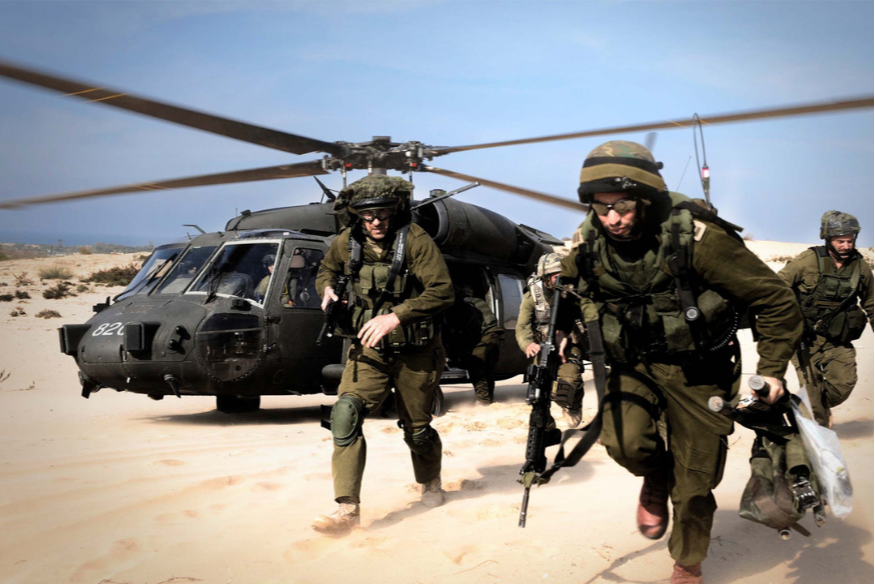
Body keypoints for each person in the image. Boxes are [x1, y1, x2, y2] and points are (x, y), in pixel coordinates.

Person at [559, 141, 802, 584]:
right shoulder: (588, 241)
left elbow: (776, 300)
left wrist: (771, 370)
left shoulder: (696, 239)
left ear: (645, 198)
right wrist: (561, 330)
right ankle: (655, 474)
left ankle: (687, 563)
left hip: (699, 369)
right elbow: (569, 291)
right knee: (625, 443)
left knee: (694, 483)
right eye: (601, 206)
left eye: (622, 206)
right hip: (633, 364)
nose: (612, 218)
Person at [312, 175, 454, 535]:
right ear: (356, 215)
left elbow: (442, 291)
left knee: (417, 431)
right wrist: (326, 288)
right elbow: (326, 269)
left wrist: (396, 316)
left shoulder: (416, 241)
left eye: (383, 214)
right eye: (367, 215)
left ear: (396, 211)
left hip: (416, 351)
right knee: (344, 414)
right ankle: (347, 509)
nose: (376, 222)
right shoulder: (347, 241)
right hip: (368, 349)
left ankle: (430, 481)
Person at [779, 211, 874, 427]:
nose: (846, 246)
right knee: (812, 393)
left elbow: (871, 302)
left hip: (837, 338)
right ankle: (817, 436)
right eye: (841, 241)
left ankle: (805, 408)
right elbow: (777, 288)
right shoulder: (807, 261)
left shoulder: (860, 267)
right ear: (828, 239)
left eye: (850, 241)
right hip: (805, 339)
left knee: (844, 385)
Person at [516, 252, 585, 427]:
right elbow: (522, 325)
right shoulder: (533, 295)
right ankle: (545, 425)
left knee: (569, 381)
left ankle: (572, 406)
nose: (560, 281)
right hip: (543, 346)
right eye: (556, 277)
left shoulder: (573, 292)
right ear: (546, 277)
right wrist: (527, 344)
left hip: (569, 343)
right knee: (539, 390)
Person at [446, 285, 503, 406]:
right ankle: (488, 399)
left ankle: (483, 402)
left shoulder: (463, 305)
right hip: (494, 336)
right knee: (488, 371)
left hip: (484, 337)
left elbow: (465, 327)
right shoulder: (478, 302)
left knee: (477, 370)